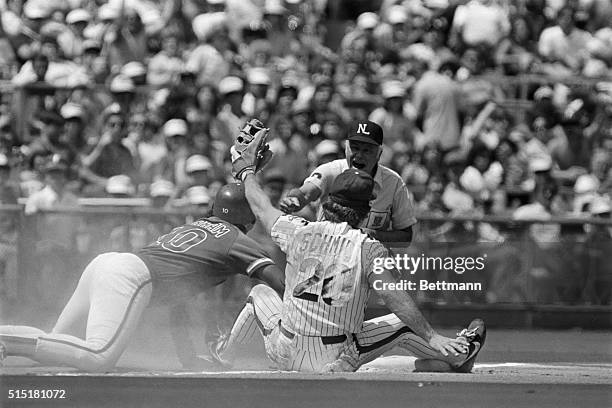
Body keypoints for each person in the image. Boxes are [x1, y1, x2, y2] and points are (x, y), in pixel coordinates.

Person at [219, 133, 486, 373]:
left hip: (284, 350)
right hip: (332, 358)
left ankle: (224, 356)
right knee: (403, 324)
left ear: (330, 201)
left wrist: (246, 171)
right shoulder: (367, 248)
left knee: (259, 294)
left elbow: (261, 206)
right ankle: (460, 354)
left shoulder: (297, 230)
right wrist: (430, 336)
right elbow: (392, 295)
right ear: (366, 210)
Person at [0, 183, 285, 371]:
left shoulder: (198, 226)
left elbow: (180, 299)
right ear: (247, 217)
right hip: (130, 277)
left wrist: (187, 358)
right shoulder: (236, 239)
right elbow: (278, 281)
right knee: (98, 357)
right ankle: (7, 341)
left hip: (106, 265)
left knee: (55, 343)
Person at [279, 120, 416, 244]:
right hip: (327, 254)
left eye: (366, 150)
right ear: (346, 147)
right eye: (355, 148)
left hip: (368, 261)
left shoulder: (393, 182)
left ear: (379, 153)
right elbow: (306, 192)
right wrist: (294, 200)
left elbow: (406, 235)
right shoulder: (331, 170)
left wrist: (371, 236)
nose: (359, 155)